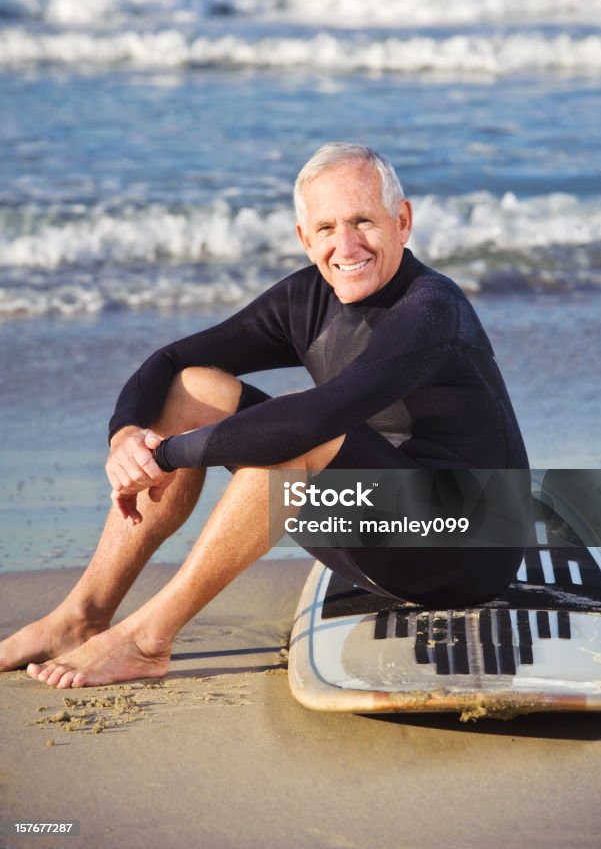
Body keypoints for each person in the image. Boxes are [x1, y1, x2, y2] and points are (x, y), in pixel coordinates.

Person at [0, 142, 529, 689]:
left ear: (403, 221)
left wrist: (164, 456)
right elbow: (171, 360)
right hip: (375, 532)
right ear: (304, 239)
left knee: (292, 433)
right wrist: (125, 438)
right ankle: (82, 615)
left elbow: (308, 425)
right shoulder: (308, 299)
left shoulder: (430, 310)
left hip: (462, 553)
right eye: (325, 228)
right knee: (192, 387)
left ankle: (145, 640)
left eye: (363, 221)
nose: (345, 245)